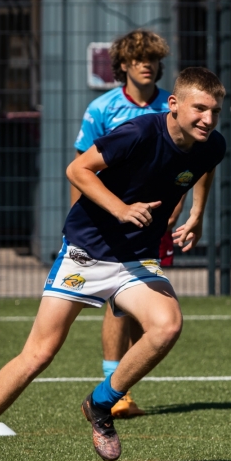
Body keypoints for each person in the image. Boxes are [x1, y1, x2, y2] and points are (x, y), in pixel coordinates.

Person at [0, 67, 227, 461]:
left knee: (167, 325)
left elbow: (205, 165)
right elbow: (77, 170)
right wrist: (121, 209)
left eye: (214, 111)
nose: (207, 119)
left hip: (135, 258)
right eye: (199, 109)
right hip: (86, 253)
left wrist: (197, 213)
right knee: (39, 355)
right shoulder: (138, 133)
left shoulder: (211, 144)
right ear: (173, 104)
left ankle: (101, 404)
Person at [73, 29, 181, 418]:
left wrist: (184, 210)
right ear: (122, 65)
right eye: (138, 59)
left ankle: (121, 387)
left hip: (154, 222)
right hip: (110, 221)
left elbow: (191, 164)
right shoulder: (102, 109)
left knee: (144, 306)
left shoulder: (173, 106)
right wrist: (74, 228)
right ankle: (113, 390)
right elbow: (80, 168)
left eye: (152, 58)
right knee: (118, 302)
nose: (147, 65)